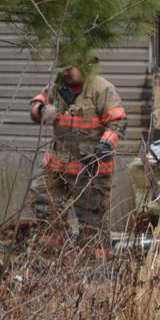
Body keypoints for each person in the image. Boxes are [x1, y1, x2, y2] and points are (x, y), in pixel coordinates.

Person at [29, 63, 127, 251]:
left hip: (90, 170)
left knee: (91, 222)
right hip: (57, 166)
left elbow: (118, 121)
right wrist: (41, 110)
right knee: (43, 201)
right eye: (63, 67)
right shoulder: (56, 88)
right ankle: (53, 256)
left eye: (71, 67)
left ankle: (94, 268)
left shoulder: (102, 88)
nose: (66, 72)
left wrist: (104, 146)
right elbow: (35, 104)